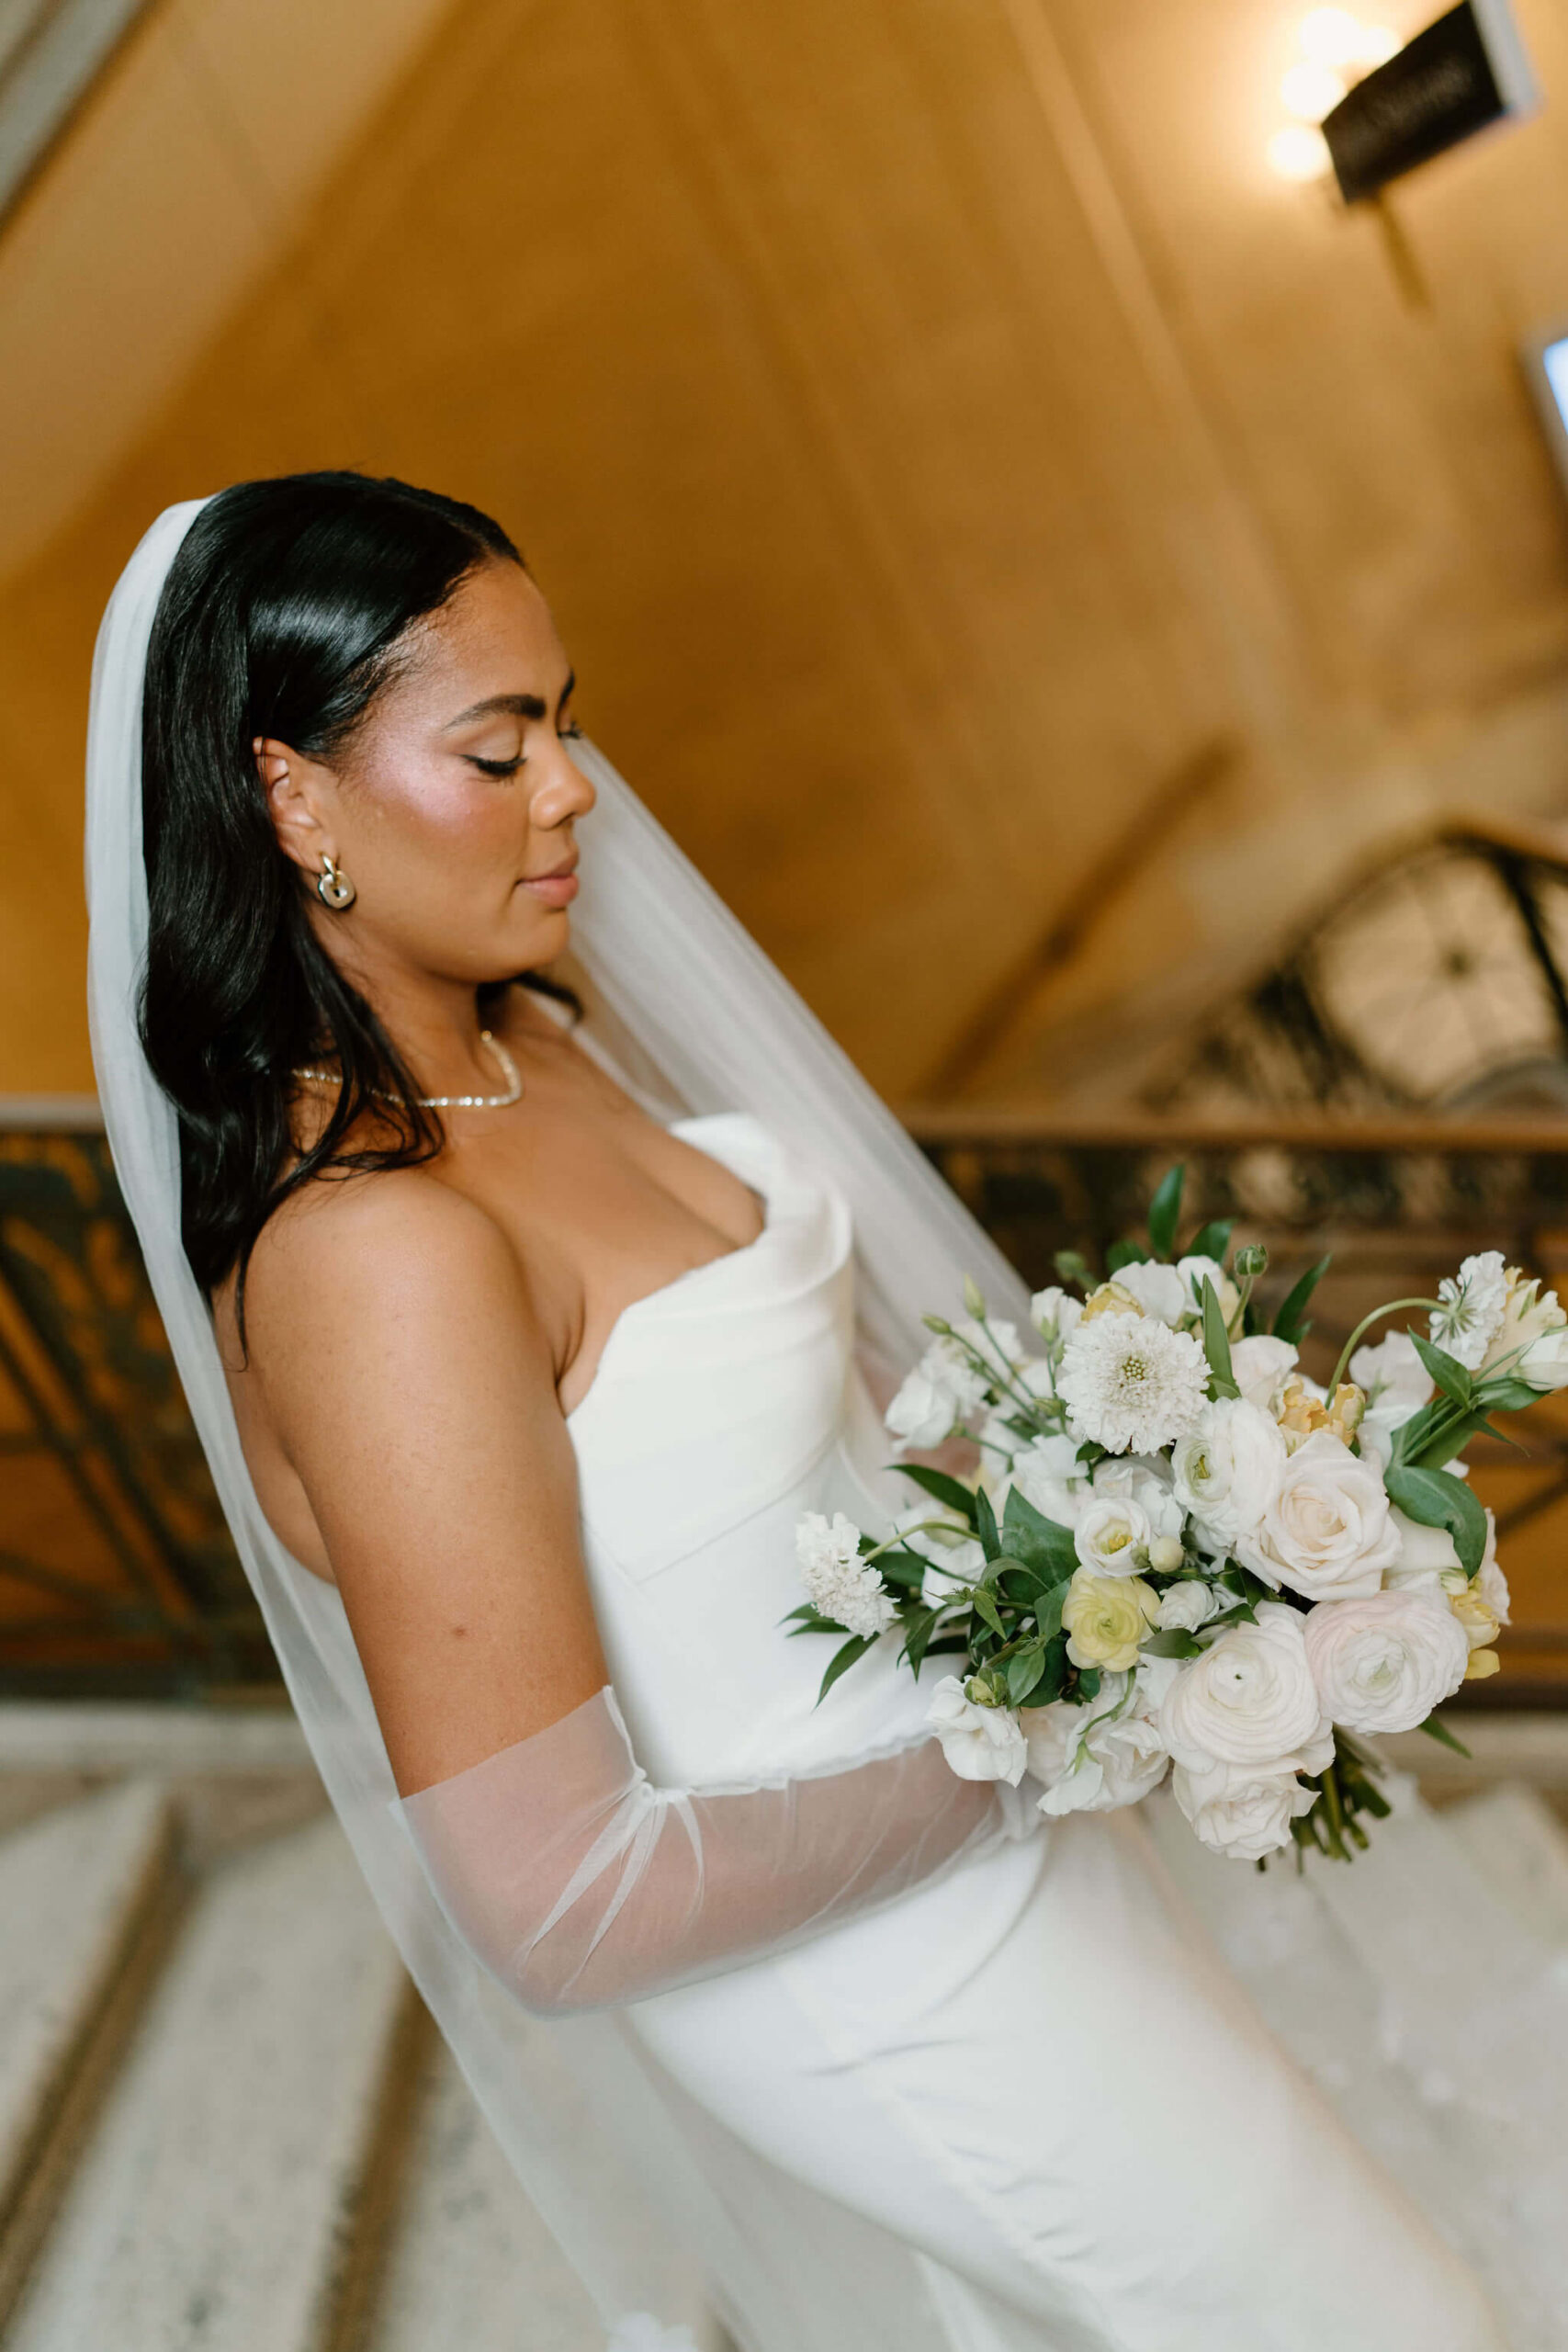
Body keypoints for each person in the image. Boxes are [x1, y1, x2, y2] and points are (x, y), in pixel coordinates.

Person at [86, 474, 1528, 2351]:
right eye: (496, 745)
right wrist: (1028, 1722)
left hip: (993, 1850)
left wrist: (1145, 1534)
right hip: (878, 1979)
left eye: (569, 722)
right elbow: (560, 1901)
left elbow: (802, 1434)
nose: (575, 787)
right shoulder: (373, 1253)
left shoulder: (532, 1039)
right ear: (295, 798)